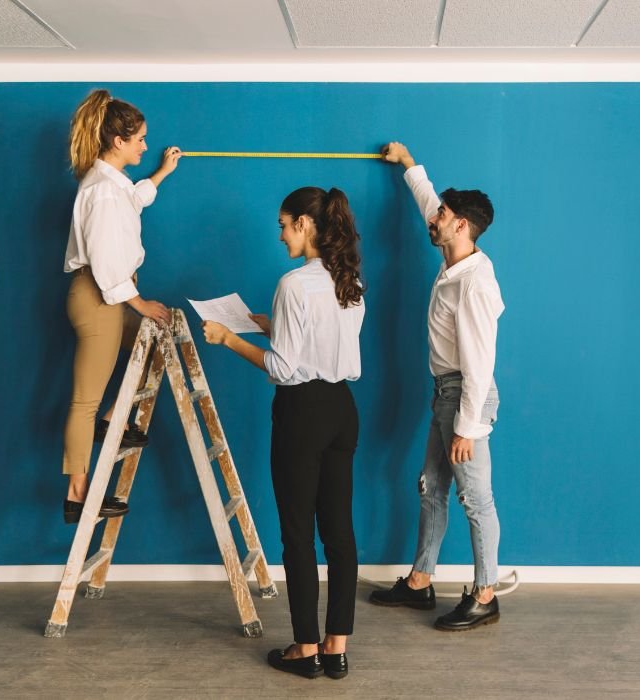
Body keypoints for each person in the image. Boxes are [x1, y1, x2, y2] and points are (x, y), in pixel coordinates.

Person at [202, 187, 365, 680]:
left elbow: (284, 369)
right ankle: (336, 648)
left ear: (305, 225)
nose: (279, 234)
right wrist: (274, 327)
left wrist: (228, 338)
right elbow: (320, 345)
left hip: (301, 413)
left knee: (298, 533)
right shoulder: (349, 279)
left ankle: (305, 649)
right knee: (339, 532)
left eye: (283, 224)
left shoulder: (293, 284)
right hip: (341, 409)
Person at [370, 142, 504, 631]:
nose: (435, 218)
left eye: (443, 215)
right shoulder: (453, 252)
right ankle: (420, 582)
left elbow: (481, 364)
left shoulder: (474, 284)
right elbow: (430, 203)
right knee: (431, 488)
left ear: (462, 226)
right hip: (445, 395)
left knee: (475, 499)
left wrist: (466, 428)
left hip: (466, 397)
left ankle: (484, 593)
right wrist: (409, 165)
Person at [61, 89, 182, 524]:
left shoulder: (112, 185)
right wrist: (140, 303)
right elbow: (107, 261)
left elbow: (135, 199)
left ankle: (111, 420)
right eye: (141, 140)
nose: (146, 147)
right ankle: (78, 497)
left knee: (152, 345)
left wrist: (162, 173)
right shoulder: (104, 193)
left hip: (107, 294)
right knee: (84, 401)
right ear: (118, 142)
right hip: (100, 295)